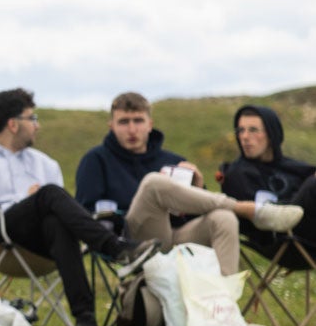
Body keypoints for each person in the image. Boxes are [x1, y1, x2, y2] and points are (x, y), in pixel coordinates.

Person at [0, 88, 160, 326]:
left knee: (56, 221)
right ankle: (115, 249)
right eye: (32, 118)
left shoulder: (45, 164)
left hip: (41, 245)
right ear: (13, 124)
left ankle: (86, 323)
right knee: (49, 194)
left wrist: (38, 202)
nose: (38, 125)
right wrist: (26, 202)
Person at [74, 92, 302, 276]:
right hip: (131, 240)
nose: (132, 129)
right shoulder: (95, 160)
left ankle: (224, 312)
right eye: (124, 122)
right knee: (153, 183)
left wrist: (198, 187)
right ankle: (248, 209)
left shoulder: (172, 160)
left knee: (223, 219)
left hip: (176, 236)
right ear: (111, 126)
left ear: (150, 124)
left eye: (138, 121)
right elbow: (87, 216)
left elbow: (194, 214)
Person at [219, 104, 316, 266]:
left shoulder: (290, 166)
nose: (244, 137)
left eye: (253, 130)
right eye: (240, 130)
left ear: (272, 134)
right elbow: (259, 218)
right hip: (283, 241)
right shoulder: (237, 174)